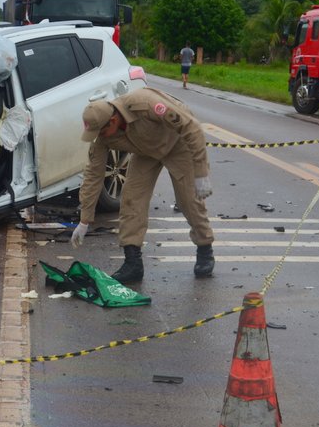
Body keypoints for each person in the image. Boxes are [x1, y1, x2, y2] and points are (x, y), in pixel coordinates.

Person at [70, 87, 215, 283]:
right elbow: (93, 175)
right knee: (131, 200)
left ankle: (205, 248)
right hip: (146, 152)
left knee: (189, 201)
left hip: (177, 143)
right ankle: (133, 263)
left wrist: (201, 172)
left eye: (101, 132)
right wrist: (84, 219)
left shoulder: (145, 104)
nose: (100, 137)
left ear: (112, 121)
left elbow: (192, 128)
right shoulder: (102, 137)